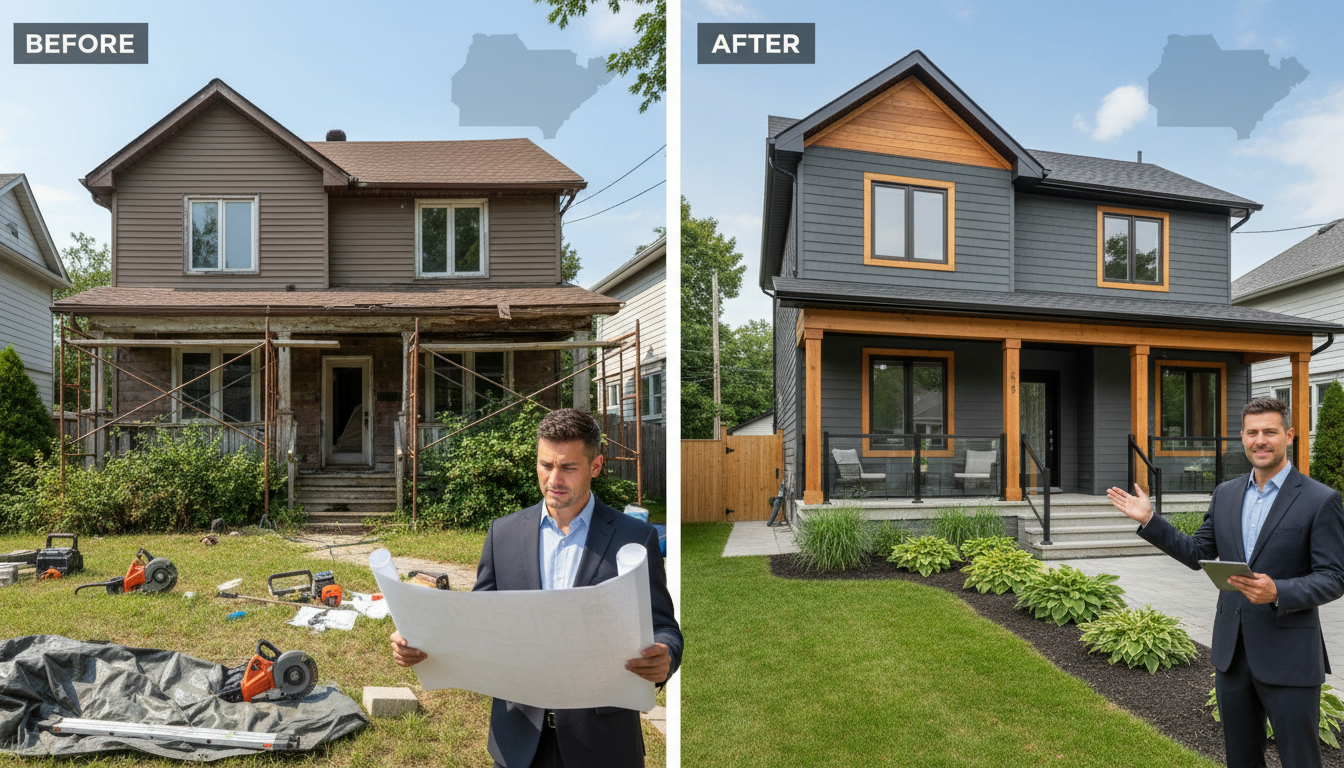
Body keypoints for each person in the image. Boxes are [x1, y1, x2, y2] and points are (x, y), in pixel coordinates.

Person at [390, 408, 681, 768]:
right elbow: (476, 624)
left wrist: (665, 656)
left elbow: (665, 627)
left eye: (568, 467)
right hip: (518, 741)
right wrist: (419, 645)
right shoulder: (504, 534)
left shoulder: (635, 537)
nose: (554, 479)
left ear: (596, 466)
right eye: (545, 465)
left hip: (602, 744)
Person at [1107, 397, 1344, 768]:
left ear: (1289, 435)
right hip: (1232, 656)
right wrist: (1151, 519)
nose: (1260, 440)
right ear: (1242, 437)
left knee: (1301, 760)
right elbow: (1196, 552)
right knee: (1241, 759)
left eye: (1270, 431)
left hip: (1290, 658)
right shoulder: (1226, 493)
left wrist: (1279, 591)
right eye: (1252, 432)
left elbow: (1333, 577)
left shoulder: (1321, 500)